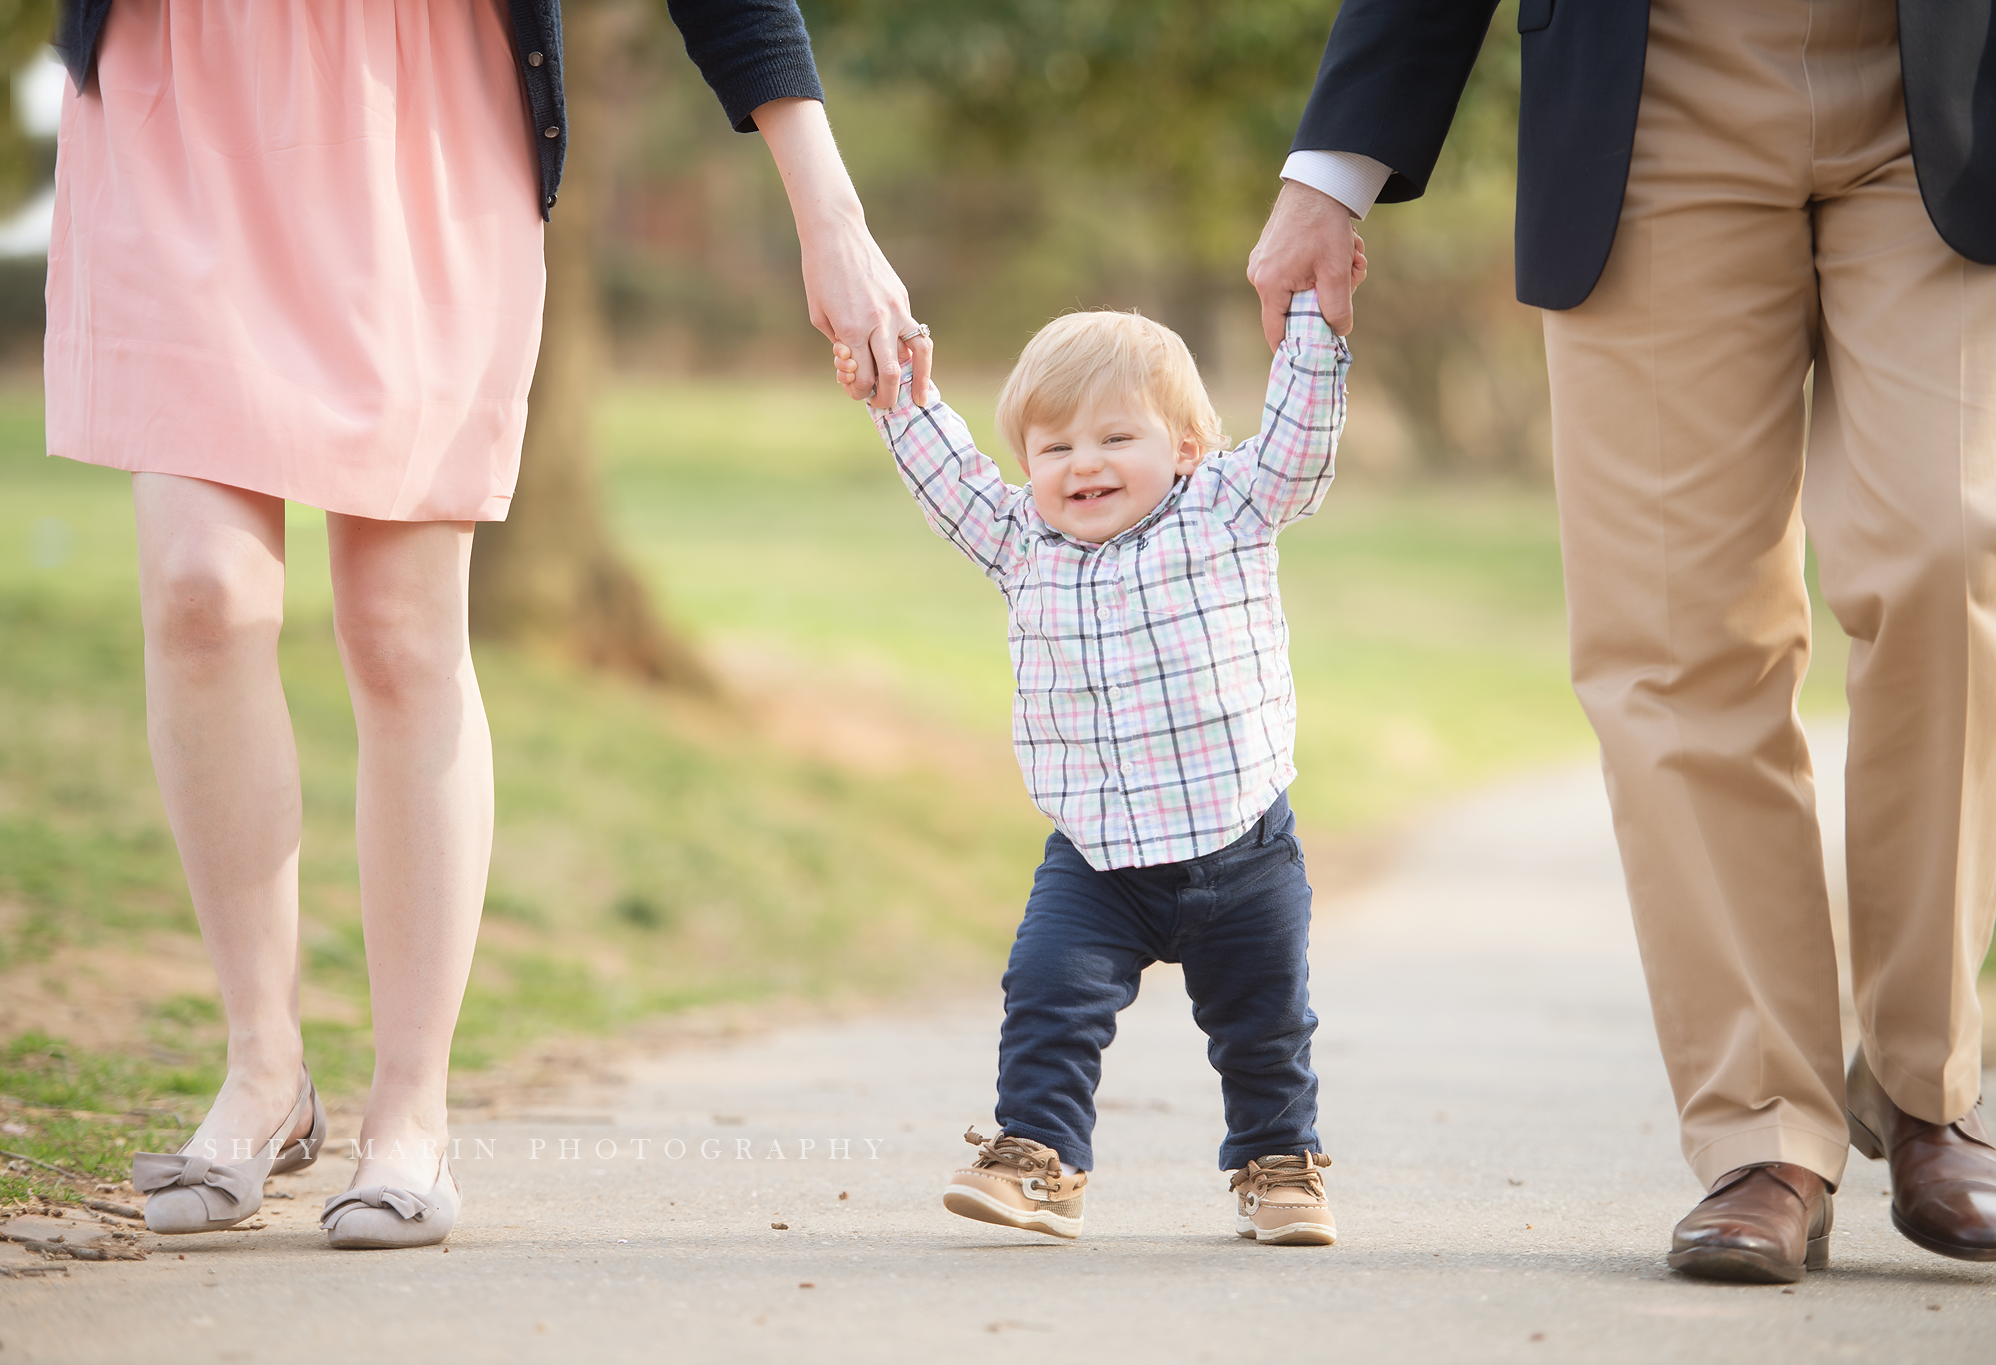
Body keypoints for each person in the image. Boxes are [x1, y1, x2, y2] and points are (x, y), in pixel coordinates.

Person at [47, 0, 931, 1250]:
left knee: (401, 630)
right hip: (183, 91)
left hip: (421, 114)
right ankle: (262, 1068)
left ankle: (408, 1106)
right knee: (201, 594)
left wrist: (825, 210)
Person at [1248, 0, 1996, 1282]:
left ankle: (1924, 1085)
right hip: (1654, 90)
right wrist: (1333, 170)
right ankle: (1762, 1132)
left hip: (1960, 71)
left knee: (1961, 553)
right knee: (1674, 626)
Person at [836, 281, 1360, 1245]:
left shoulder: (1227, 512)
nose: (1085, 464)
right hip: (1096, 857)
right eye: (1055, 446)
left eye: (1117, 438)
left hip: (1242, 850)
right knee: (1045, 994)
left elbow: (1299, 440)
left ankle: (1279, 1163)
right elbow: (947, 474)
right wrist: (898, 394)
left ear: (1186, 449)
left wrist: (1311, 326)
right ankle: (1040, 1158)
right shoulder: (1020, 544)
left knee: (1265, 1029)